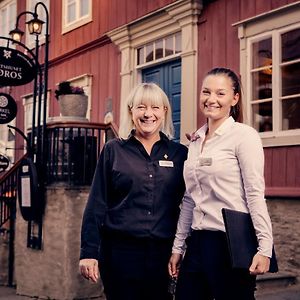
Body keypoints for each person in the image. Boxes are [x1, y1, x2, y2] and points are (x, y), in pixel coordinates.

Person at [168, 67, 274, 300]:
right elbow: (189, 199)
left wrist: (265, 248)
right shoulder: (195, 141)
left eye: (220, 93)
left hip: (231, 243)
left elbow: (255, 194)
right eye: (206, 92)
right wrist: (178, 248)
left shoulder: (244, 136)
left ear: (234, 99)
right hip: (197, 242)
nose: (211, 99)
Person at [79, 82, 188, 300]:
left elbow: (190, 203)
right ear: (131, 111)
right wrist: (89, 253)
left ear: (165, 111)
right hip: (120, 253)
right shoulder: (114, 150)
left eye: (155, 108)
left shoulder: (180, 153)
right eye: (141, 107)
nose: (148, 114)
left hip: (163, 254)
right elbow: (97, 203)